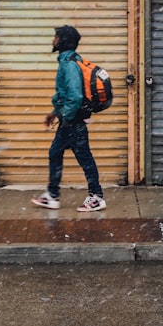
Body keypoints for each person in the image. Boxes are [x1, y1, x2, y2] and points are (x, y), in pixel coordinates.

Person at [31, 25, 106, 212]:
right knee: (56, 153)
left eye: (55, 37)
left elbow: (74, 97)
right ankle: (53, 195)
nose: (53, 40)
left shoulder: (70, 64)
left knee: (83, 157)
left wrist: (65, 117)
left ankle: (96, 197)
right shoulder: (69, 61)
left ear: (62, 41)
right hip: (70, 119)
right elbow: (66, 96)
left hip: (73, 121)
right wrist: (55, 113)